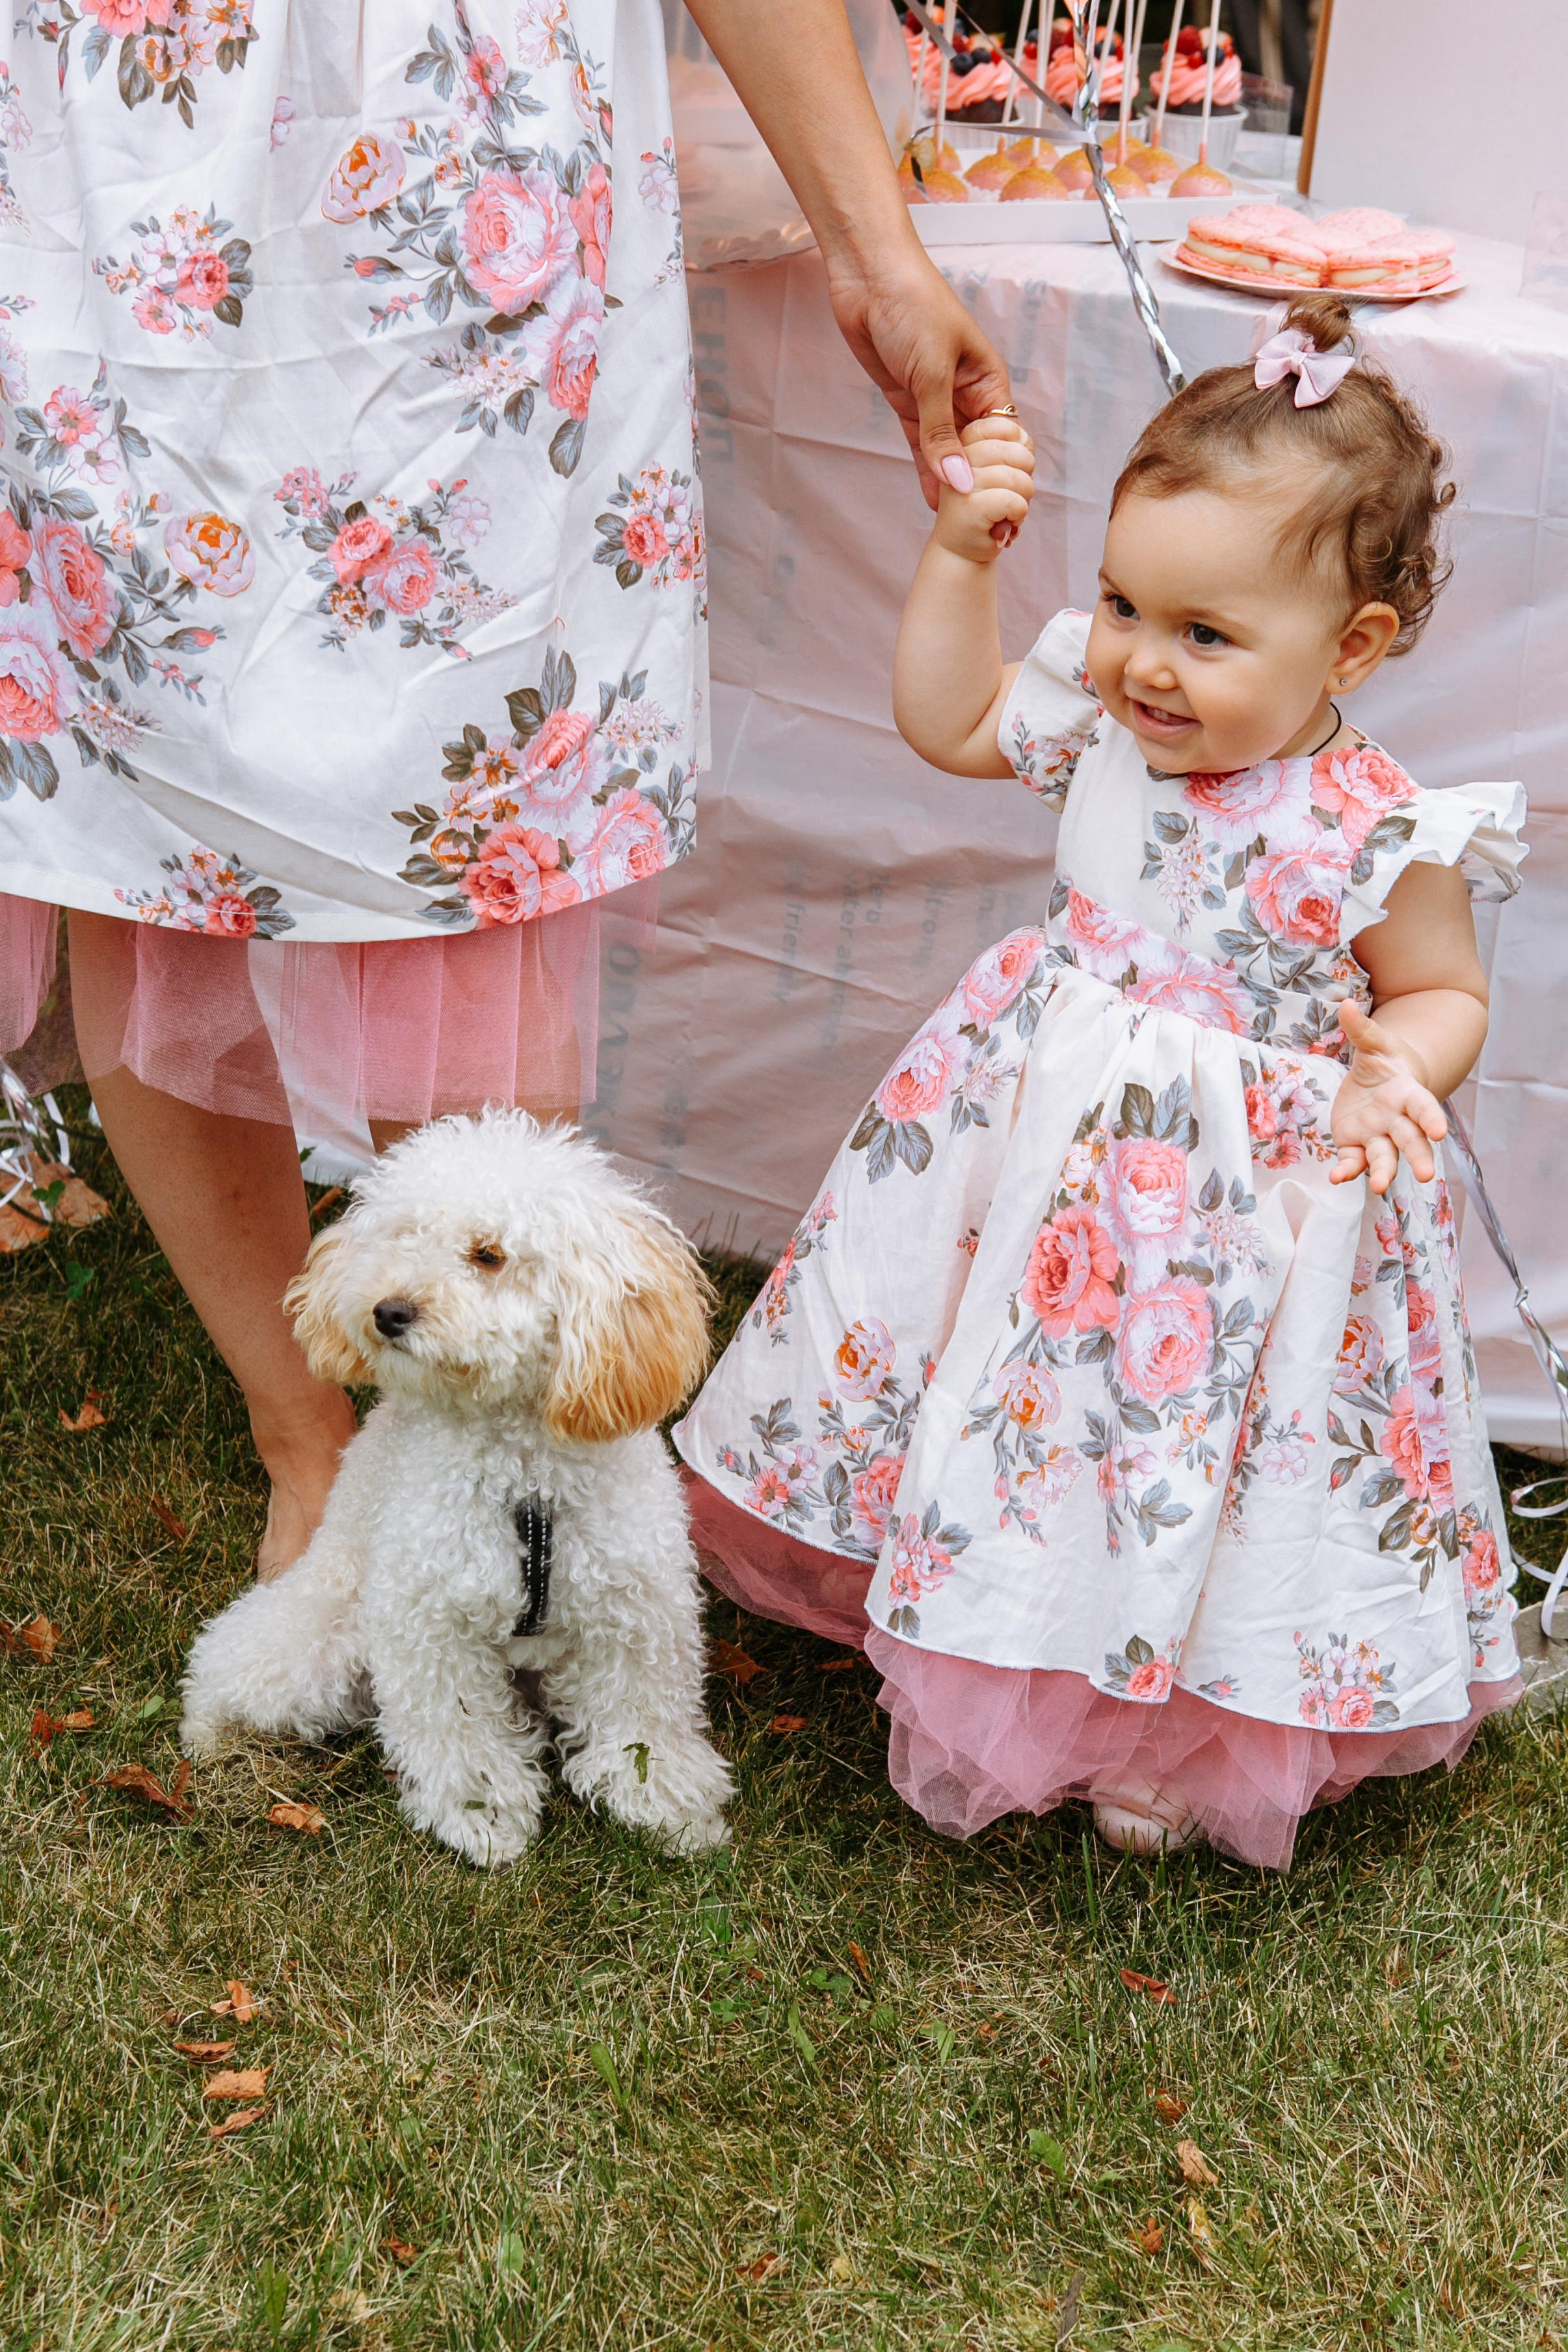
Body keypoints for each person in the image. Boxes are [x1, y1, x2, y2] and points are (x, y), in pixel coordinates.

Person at [0, 0, 1009, 1579]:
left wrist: (873, 248)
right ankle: (307, 1441)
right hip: (107, 148)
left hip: (454, 146)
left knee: (477, 818)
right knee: (135, 810)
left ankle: (460, 1453)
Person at [677, 294, 1525, 1871]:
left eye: (1207, 636)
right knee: (1025, 1401)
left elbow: (1444, 989)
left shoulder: (1378, 822)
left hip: (1239, 1202)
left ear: (1353, 645)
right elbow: (949, 719)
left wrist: (1393, 1068)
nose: (1145, 662)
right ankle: (985, 1611)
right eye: (1129, 604)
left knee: (1187, 1429)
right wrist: (960, 563)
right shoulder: (1103, 721)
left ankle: (1179, 1716)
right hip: (1042, 1150)